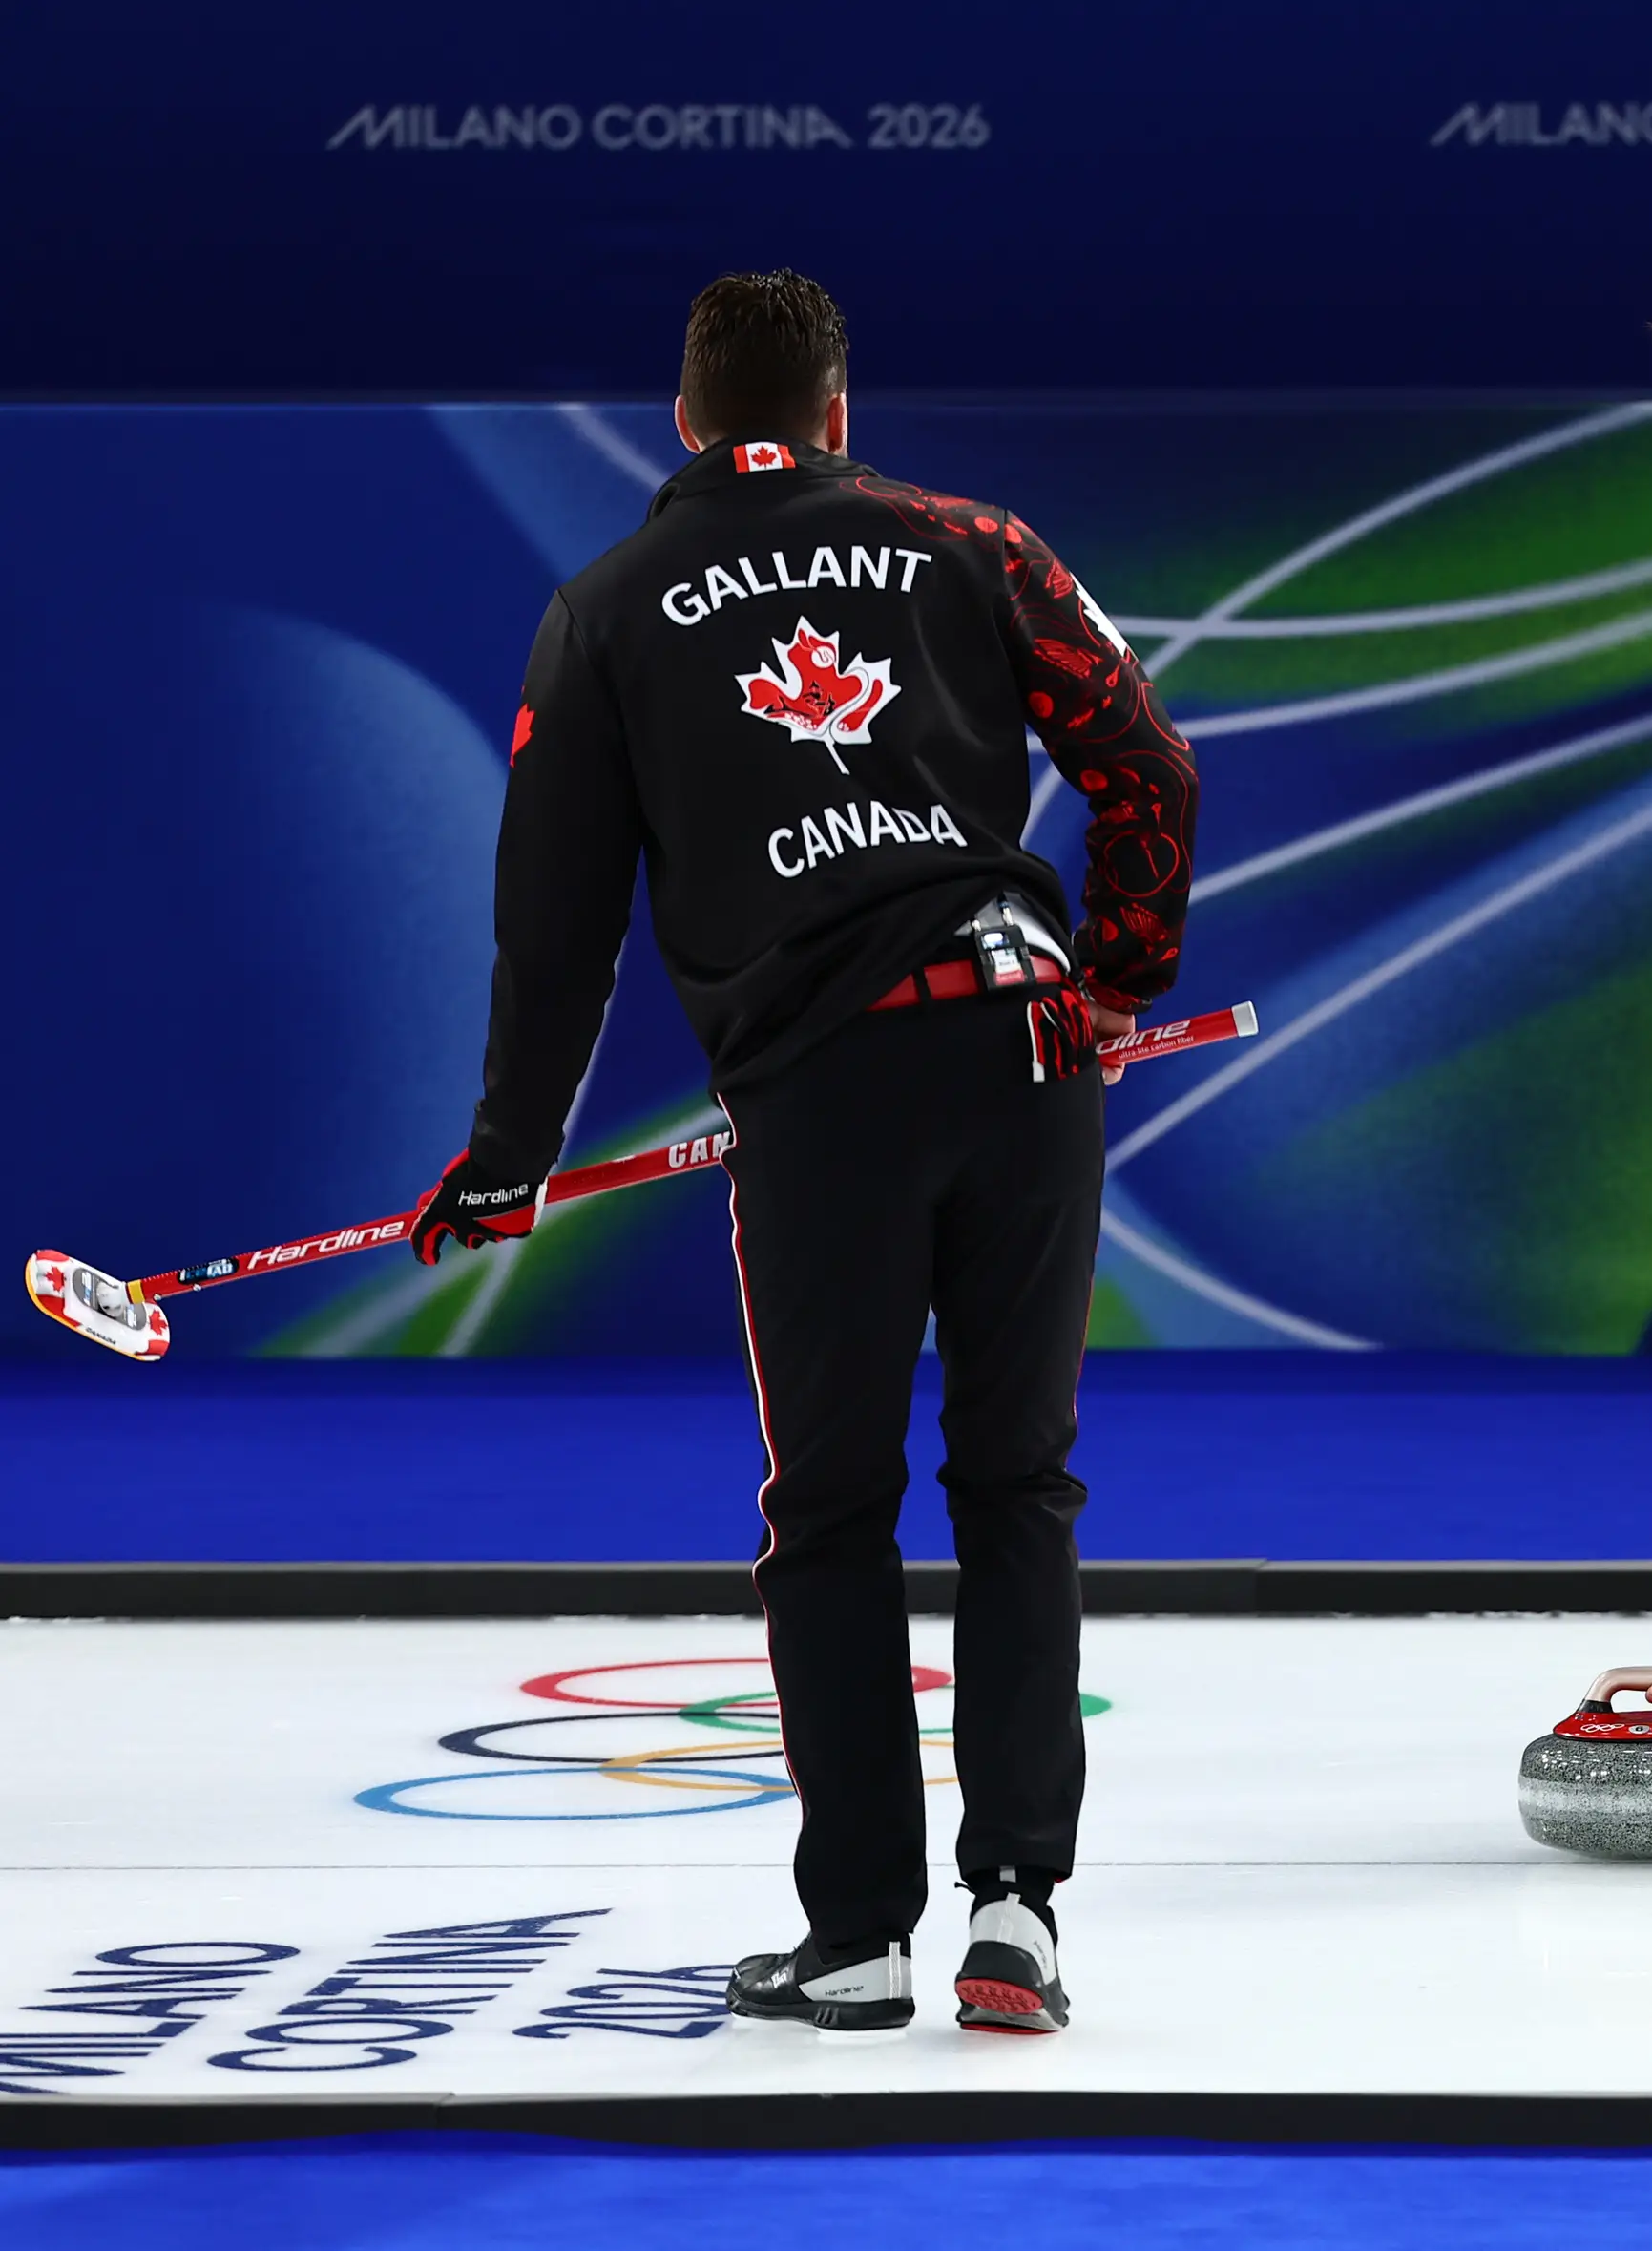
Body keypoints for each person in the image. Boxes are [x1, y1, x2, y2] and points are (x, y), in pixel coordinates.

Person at [408, 270, 1199, 2034]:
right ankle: (1018, 1918)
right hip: (1022, 1037)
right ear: (842, 415)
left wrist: (510, 1149)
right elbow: (1150, 763)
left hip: (828, 1091)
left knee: (832, 1509)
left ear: (684, 421)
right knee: (1018, 1484)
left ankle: (857, 1937)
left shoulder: (605, 606)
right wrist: (1119, 981)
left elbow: (554, 921)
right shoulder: (973, 539)